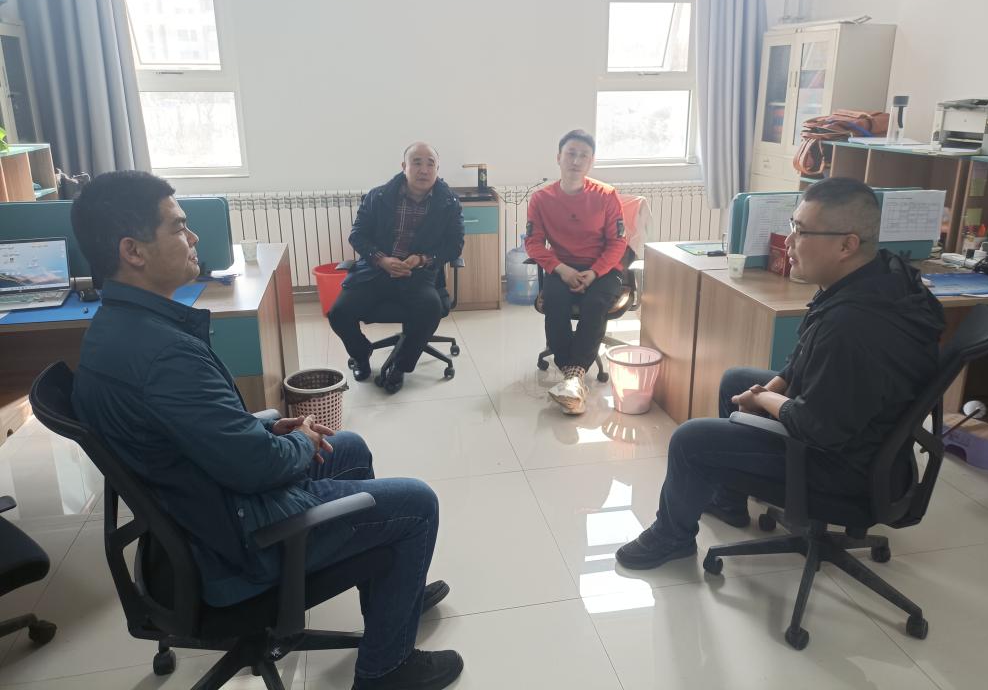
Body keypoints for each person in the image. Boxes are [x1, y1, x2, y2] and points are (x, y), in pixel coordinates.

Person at [70, 172, 463, 690]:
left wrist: (266, 425)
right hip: (236, 539)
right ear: (133, 251)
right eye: (179, 227)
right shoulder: (164, 356)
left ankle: (393, 590)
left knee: (349, 446)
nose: (193, 237)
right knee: (417, 504)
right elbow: (256, 468)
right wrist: (295, 441)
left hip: (200, 509)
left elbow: (190, 432)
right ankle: (386, 670)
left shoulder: (116, 328)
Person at [616, 178, 945, 569]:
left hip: (845, 469)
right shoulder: (878, 278)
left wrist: (764, 398)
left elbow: (816, 426)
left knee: (690, 441)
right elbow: (808, 353)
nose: (788, 241)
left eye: (801, 232)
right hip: (867, 436)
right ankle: (728, 501)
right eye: (793, 226)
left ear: (846, 245)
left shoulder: (852, 327)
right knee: (736, 379)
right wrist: (772, 386)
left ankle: (672, 538)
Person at [328, 143, 464, 393]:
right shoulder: (378, 196)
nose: (424, 170)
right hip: (375, 271)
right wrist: (381, 259)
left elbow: (454, 245)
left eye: (430, 163)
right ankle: (361, 354)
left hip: (418, 275)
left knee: (430, 308)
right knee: (338, 313)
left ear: (437, 168)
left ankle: (400, 366)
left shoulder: (448, 203)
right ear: (404, 167)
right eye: (417, 162)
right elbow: (357, 235)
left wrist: (422, 259)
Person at [525, 130, 627, 415]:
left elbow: (618, 243)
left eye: (584, 155)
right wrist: (561, 269)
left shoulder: (606, 195)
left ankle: (573, 376)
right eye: (571, 153)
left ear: (591, 162)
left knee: (595, 303)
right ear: (558, 157)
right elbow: (533, 243)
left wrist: (594, 272)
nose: (576, 160)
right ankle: (572, 373)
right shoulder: (541, 199)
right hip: (562, 267)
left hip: (602, 269)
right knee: (555, 301)